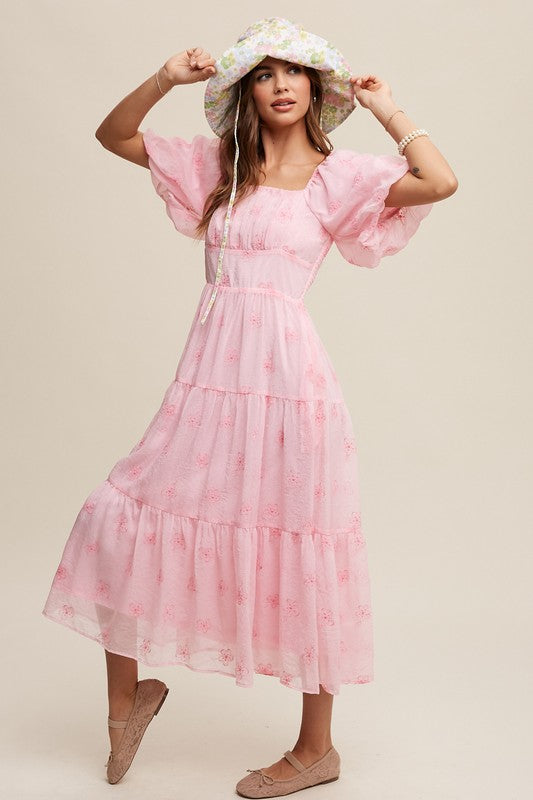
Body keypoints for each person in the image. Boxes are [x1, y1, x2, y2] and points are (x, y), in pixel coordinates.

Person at [41, 16, 458, 799]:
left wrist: (389, 109)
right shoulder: (216, 169)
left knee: (304, 543)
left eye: (296, 73)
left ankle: (315, 749)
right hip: (208, 381)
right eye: (265, 74)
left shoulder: (341, 179)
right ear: (243, 90)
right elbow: (113, 135)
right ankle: (129, 700)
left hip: (292, 388)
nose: (280, 85)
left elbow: (438, 182)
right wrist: (165, 76)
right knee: (116, 512)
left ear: (316, 90)